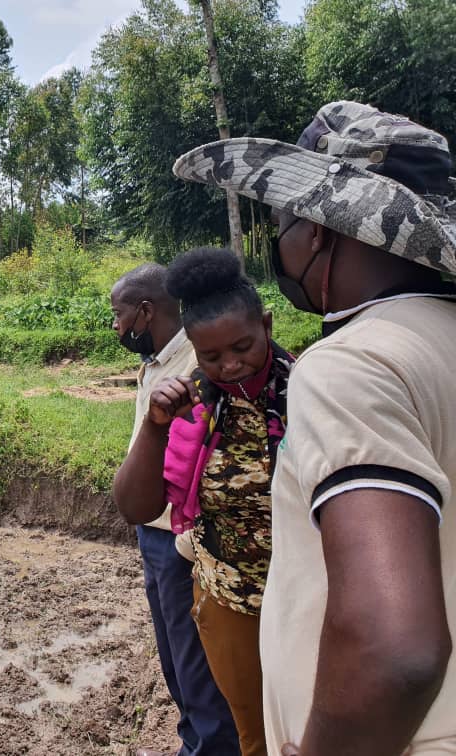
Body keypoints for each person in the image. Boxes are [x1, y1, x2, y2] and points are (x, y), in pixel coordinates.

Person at [173, 102, 456, 755]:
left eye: (282, 223)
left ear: (322, 231)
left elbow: (395, 649)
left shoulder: (350, 366)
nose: (282, 243)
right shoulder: (435, 342)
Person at [113, 248, 295, 756]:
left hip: (305, 598)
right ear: (193, 349)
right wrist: (154, 429)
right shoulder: (191, 403)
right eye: (212, 358)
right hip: (228, 599)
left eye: (242, 347)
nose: (231, 365)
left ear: (266, 324)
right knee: (249, 733)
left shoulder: (307, 390)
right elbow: (135, 507)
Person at [110, 263, 240, 756]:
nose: (116, 327)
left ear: (146, 311)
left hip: (183, 542)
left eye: (119, 314)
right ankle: (192, 740)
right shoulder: (158, 363)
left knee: (196, 666)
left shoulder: (194, 365)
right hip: (154, 533)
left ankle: (208, 745)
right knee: (175, 661)